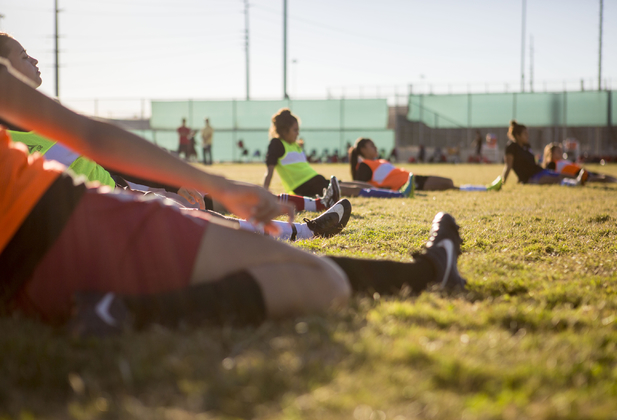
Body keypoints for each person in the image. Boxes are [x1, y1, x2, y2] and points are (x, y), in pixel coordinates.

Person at [0, 54, 467, 336]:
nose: (31, 64)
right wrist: (219, 185)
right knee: (317, 279)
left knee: (249, 246)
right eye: (19, 56)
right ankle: (124, 311)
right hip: (68, 219)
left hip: (22, 271)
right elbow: (95, 140)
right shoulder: (278, 146)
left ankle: (419, 266)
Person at [0, 33, 343, 241]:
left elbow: (103, 154)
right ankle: (305, 231)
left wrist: (163, 183)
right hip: (97, 218)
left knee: (204, 202)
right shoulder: (10, 140)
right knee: (195, 215)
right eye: (23, 56)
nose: (34, 59)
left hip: (120, 193)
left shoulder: (48, 120)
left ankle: (314, 211)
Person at [263, 108, 410, 199]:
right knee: (354, 190)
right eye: (295, 130)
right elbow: (269, 171)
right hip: (304, 187)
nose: (297, 133)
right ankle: (399, 195)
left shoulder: (295, 145)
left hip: (316, 180)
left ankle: (395, 190)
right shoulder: (277, 144)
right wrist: (264, 192)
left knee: (361, 184)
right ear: (284, 131)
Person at [349, 138, 456, 191]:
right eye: (372, 146)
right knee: (448, 184)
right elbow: (361, 186)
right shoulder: (364, 165)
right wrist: (385, 189)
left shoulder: (377, 161)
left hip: (413, 177)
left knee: (449, 182)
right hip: (407, 184)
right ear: (363, 150)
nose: (375, 148)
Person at [501, 120, 586, 186]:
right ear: (517, 135)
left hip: (539, 171)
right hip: (531, 178)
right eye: (525, 134)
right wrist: (502, 182)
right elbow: (509, 165)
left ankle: (579, 179)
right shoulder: (511, 147)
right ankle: (574, 183)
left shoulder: (526, 146)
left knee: (560, 175)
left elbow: (531, 163)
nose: (528, 136)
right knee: (555, 179)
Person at [542, 142, 617, 184]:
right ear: (551, 154)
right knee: (601, 179)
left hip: (582, 171)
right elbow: (554, 175)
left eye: (561, 151)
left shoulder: (563, 160)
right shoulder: (552, 164)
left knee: (603, 175)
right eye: (558, 152)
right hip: (577, 175)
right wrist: (574, 178)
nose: (560, 153)